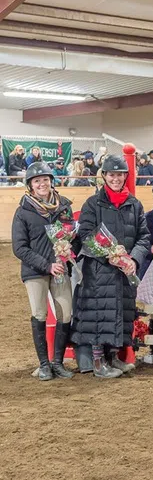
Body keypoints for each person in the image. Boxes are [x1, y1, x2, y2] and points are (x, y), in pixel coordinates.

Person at [71, 155, 150, 378]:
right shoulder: (92, 204)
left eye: (120, 174)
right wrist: (109, 256)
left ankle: (114, 356)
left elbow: (144, 237)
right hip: (99, 270)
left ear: (126, 176)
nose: (116, 178)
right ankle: (98, 361)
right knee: (98, 314)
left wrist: (133, 259)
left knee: (120, 313)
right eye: (112, 174)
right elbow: (86, 235)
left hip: (125, 270)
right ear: (104, 176)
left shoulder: (135, 204)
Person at [11, 162, 76, 381]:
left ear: (51, 181)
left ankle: (57, 362)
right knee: (39, 314)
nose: (42, 184)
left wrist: (68, 249)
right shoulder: (23, 212)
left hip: (60, 268)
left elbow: (70, 234)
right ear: (30, 185)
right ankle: (44, 364)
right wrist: (46, 265)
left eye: (45, 180)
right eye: (37, 181)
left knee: (65, 313)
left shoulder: (64, 206)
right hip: (35, 271)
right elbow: (19, 247)